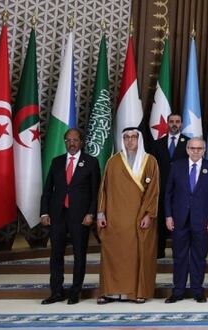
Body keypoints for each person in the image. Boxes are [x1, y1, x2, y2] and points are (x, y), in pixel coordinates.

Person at [96, 127, 160, 304]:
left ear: (139, 139)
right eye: (126, 137)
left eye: (133, 137)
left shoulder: (150, 161)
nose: (130, 140)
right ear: (122, 140)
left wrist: (149, 214)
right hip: (114, 219)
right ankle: (110, 292)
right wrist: (101, 214)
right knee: (113, 254)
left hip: (138, 219)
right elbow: (104, 190)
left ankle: (136, 292)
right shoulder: (113, 161)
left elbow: (153, 192)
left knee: (137, 256)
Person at [39, 128, 99, 305]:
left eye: (75, 140)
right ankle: (56, 291)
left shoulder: (91, 162)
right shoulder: (57, 161)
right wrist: (44, 212)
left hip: (80, 216)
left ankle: (75, 291)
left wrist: (91, 213)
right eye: (68, 140)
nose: (71, 143)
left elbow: (96, 191)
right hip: (57, 215)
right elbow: (48, 189)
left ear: (81, 142)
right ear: (65, 142)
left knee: (79, 254)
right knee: (55, 254)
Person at [164, 137, 208, 303]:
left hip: (202, 222)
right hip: (179, 220)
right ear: (187, 149)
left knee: (199, 257)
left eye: (199, 148)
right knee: (179, 257)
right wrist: (168, 216)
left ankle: (197, 290)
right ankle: (178, 291)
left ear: (204, 150)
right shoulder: (176, 167)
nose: (196, 151)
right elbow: (168, 194)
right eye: (192, 148)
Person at [150, 113, 189, 258]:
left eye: (177, 122)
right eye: (171, 121)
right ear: (167, 123)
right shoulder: (157, 143)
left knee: (179, 221)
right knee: (160, 220)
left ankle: (177, 251)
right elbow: (152, 167)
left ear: (182, 124)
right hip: (161, 189)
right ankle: (159, 250)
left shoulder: (189, 143)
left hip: (181, 190)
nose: (174, 124)